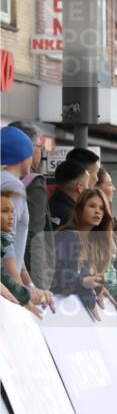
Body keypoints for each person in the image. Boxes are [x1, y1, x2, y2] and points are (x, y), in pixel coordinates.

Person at [52, 188, 117, 320]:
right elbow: (55, 275)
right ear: (79, 209)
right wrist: (83, 283)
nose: (98, 211)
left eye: (102, 208)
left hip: (74, 314)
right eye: (92, 206)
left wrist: (98, 287)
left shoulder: (96, 241)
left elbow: (116, 277)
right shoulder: (69, 236)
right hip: (59, 313)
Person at [8, 122, 54, 290]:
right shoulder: (32, 182)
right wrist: (37, 284)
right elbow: (33, 235)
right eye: (38, 146)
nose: (40, 152)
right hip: (21, 275)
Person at [1, 190, 53, 318]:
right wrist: (29, 302)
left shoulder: (4, 241)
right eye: (4, 211)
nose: (12, 216)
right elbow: (6, 280)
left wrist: (30, 291)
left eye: (12, 211)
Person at [1, 126, 35, 294]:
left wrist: (27, 282)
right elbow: (5, 238)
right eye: (31, 152)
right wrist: (17, 286)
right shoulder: (13, 185)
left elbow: (15, 241)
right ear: (22, 155)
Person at [48, 159, 89, 230]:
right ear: (80, 188)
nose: (88, 188)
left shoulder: (45, 207)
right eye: (87, 184)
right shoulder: (74, 218)